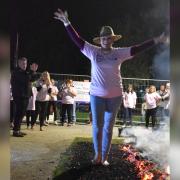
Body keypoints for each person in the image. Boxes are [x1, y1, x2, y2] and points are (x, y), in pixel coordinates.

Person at [53, 8, 167, 165]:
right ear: (100, 40)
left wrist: (156, 40)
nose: (106, 40)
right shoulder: (92, 52)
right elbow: (77, 40)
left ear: (113, 40)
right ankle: (97, 155)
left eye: (109, 38)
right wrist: (67, 23)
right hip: (97, 96)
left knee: (108, 127)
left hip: (115, 96)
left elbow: (137, 48)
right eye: (103, 38)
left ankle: (104, 157)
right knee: (97, 127)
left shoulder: (119, 53)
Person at [11, 57, 38, 137]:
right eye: (23, 63)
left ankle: (17, 129)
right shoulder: (17, 71)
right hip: (20, 96)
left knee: (22, 113)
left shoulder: (25, 72)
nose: (24, 65)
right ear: (19, 63)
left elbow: (33, 79)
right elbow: (26, 79)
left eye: (25, 63)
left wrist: (34, 71)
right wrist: (32, 71)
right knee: (19, 113)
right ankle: (16, 131)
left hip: (25, 95)